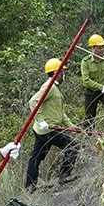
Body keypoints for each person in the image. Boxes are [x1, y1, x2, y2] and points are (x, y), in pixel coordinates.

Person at [25, 57, 81, 188]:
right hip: (47, 130)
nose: (64, 75)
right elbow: (32, 102)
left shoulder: (54, 87)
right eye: (62, 72)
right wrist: (41, 121)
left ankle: (30, 186)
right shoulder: (49, 86)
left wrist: (71, 126)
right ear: (57, 72)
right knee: (72, 146)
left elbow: (60, 112)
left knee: (36, 158)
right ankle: (64, 175)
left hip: (46, 130)